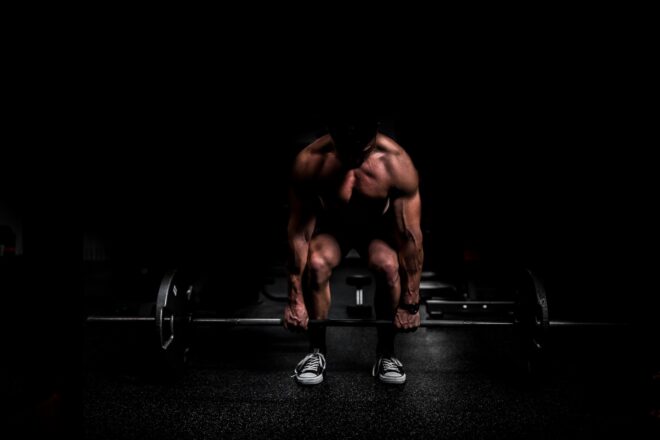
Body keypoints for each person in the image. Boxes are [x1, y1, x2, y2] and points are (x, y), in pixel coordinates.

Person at [283, 115, 423, 385]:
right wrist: (294, 299)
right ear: (332, 132)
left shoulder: (396, 163)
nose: (354, 156)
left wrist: (410, 302)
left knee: (389, 266)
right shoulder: (310, 162)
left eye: (363, 149)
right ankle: (316, 352)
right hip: (334, 227)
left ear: (374, 131)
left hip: (377, 229)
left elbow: (409, 237)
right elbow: (299, 233)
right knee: (316, 263)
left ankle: (386, 353)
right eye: (346, 148)